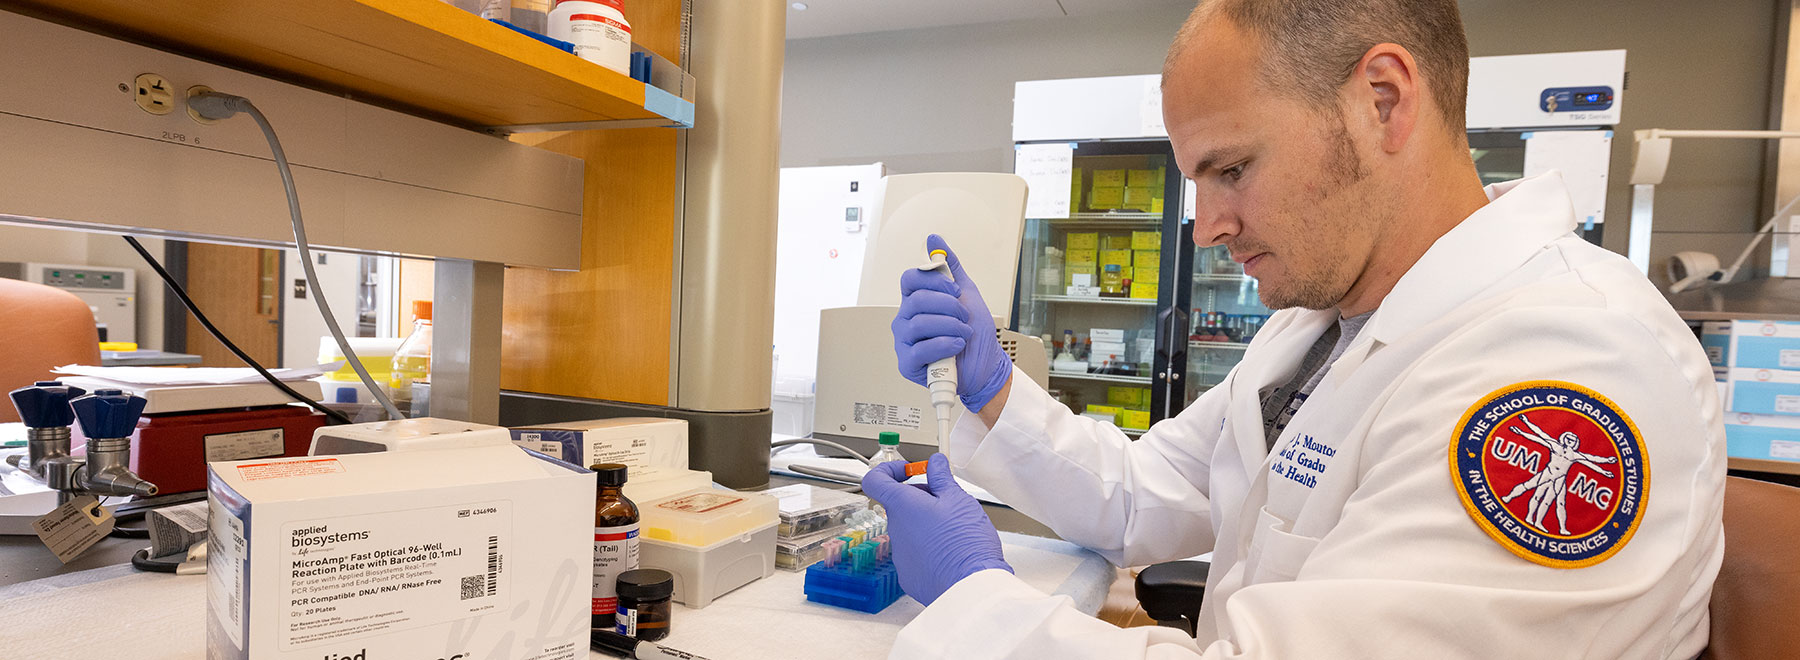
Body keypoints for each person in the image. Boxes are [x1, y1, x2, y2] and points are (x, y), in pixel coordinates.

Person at [864, 0, 1727, 657]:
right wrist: (993, 391)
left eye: (1232, 168)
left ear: (1382, 102)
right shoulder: (1324, 324)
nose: (1205, 227)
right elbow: (1145, 489)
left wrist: (978, 599)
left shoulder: (1569, 368)